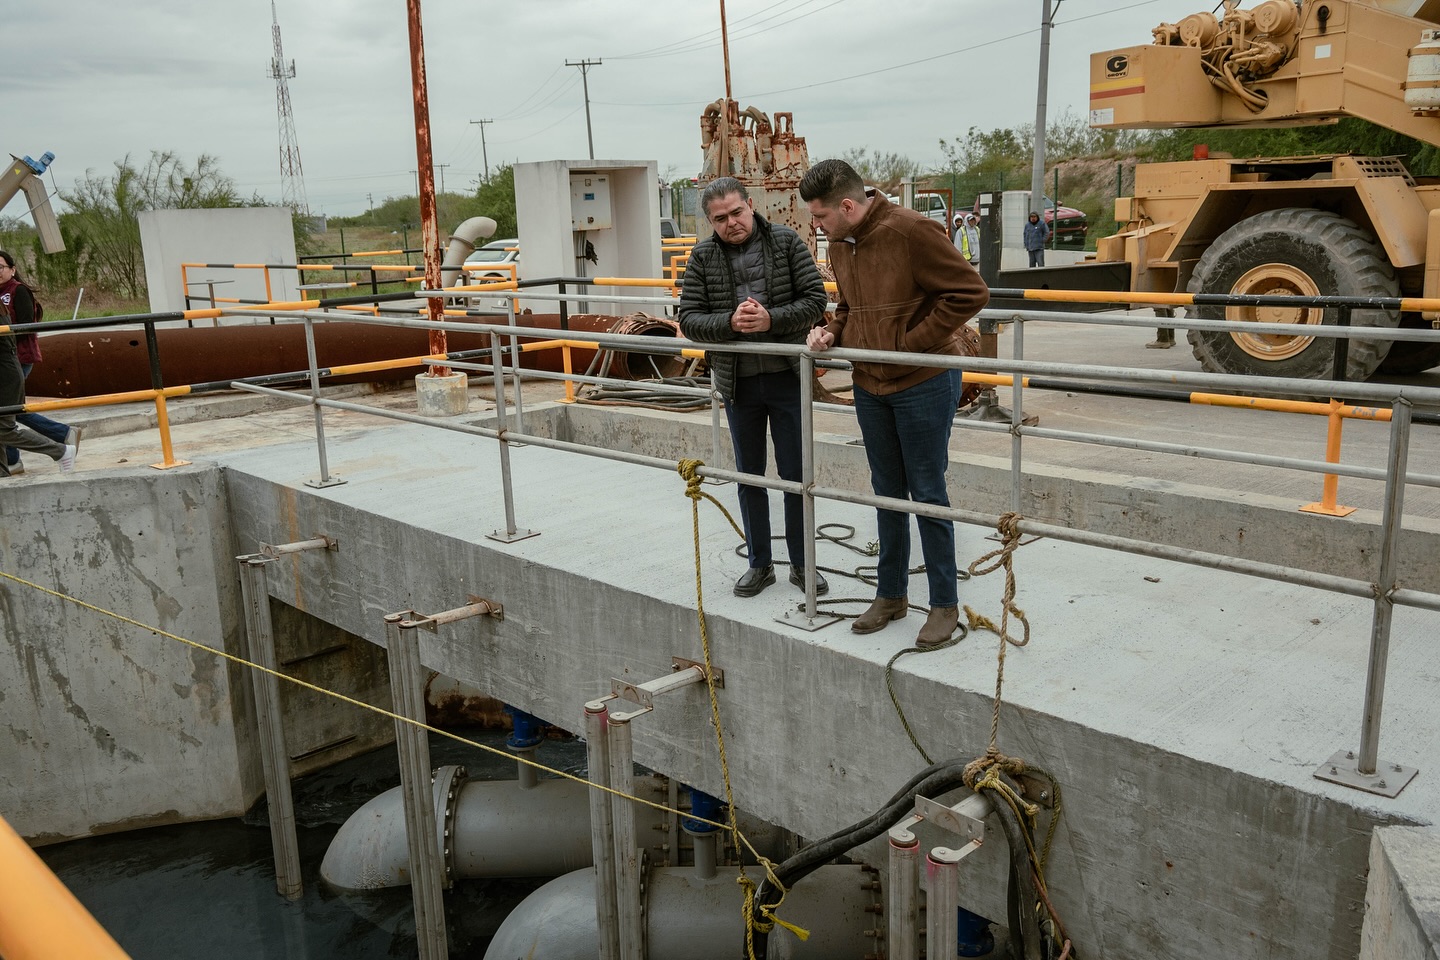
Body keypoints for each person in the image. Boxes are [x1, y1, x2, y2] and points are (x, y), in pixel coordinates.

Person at [799, 159, 988, 647]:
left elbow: (970, 292)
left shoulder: (913, 231)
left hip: (923, 381)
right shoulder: (841, 243)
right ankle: (891, 594)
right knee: (885, 491)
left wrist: (910, 343)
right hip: (871, 385)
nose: (817, 228)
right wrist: (831, 332)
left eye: (820, 217)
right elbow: (851, 307)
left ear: (846, 205)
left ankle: (944, 603)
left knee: (927, 491)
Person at [679, 177, 830, 598]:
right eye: (720, 218)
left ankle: (802, 564)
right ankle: (760, 564)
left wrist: (771, 321)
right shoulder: (703, 256)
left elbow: (816, 301)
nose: (731, 223)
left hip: (786, 376)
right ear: (710, 221)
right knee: (749, 476)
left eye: (736, 213)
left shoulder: (786, 242)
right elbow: (689, 318)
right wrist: (728, 323)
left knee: (796, 474)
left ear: (750, 204)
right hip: (738, 383)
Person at [0, 251, 78, 475]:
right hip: (8, 363)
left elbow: (24, 327)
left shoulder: (18, 290)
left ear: (12, 269)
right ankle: (9, 465)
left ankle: (60, 445)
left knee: (10, 416)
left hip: (16, 360)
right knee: (9, 415)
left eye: (0, 267)